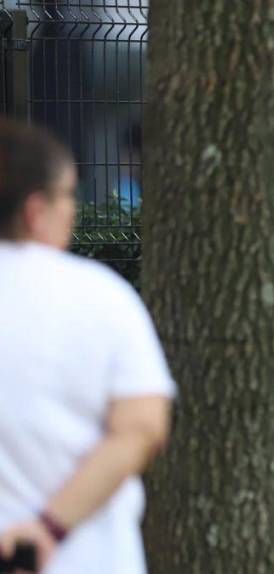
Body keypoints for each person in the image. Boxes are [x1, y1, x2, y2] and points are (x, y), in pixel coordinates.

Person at [0, 119, 175, 573]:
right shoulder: (100, 297)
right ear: (36, 210)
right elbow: (142, 427)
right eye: (69, 195)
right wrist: (48, 528)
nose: (73, 209)